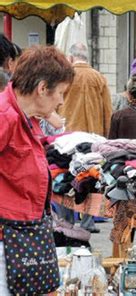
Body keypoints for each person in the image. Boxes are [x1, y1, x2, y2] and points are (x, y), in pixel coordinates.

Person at [0, 45, 75, 294]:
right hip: (8, 241)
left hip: (22, 237)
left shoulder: (26, 119)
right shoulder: (5, 116)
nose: (62, 101)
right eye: (61, 93)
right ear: (42, 88)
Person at [57, 42, 112, 233]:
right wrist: (106, 136)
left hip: (68, 136)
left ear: (71, 58)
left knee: (66, 178)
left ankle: (66, 220)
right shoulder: (99, 78)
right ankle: (88, 220)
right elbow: (107, 111)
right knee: (92, 179)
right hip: (93, 136)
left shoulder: (65, 77)